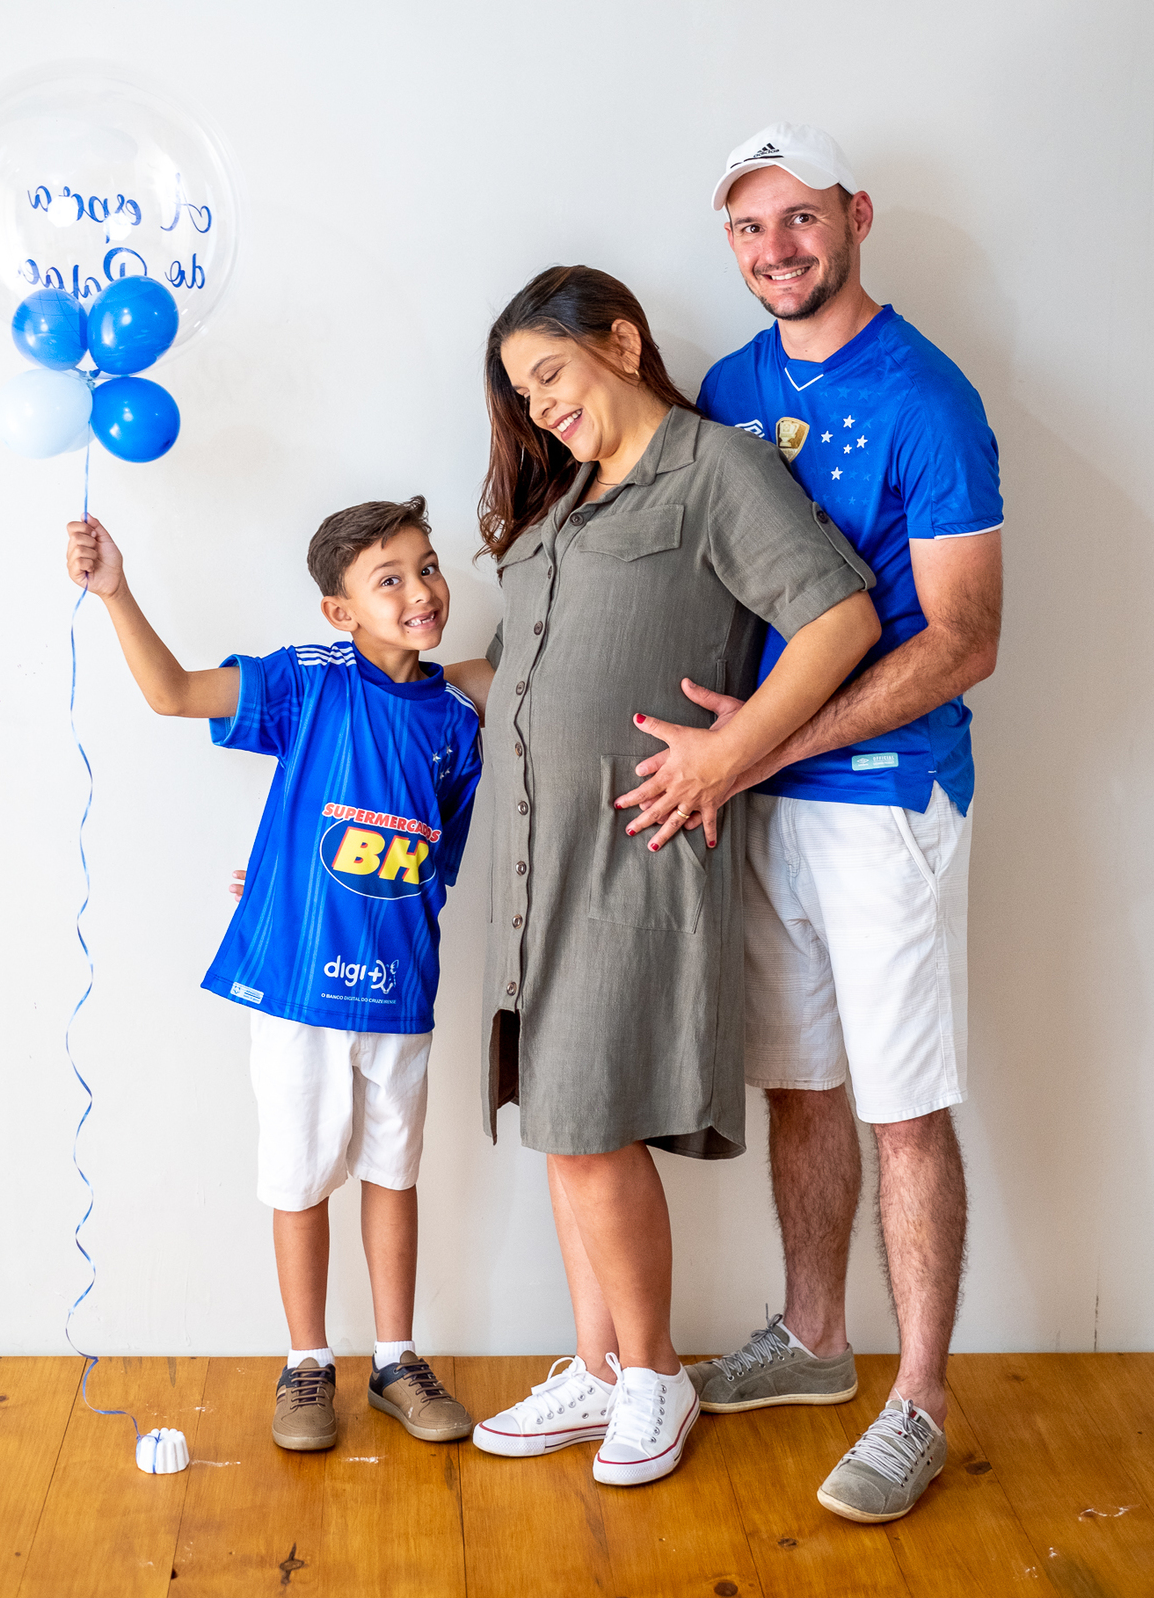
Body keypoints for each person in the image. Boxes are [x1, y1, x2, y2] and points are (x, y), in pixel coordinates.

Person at [619, 122, 1003, 1523]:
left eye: (799, 218)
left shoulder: (928, 398)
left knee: (904, 1109)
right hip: (760, 802)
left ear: (856, 215)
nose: (775, 248)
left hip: (886, 802)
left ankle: (920, 1403)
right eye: (749, 227)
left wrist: (760, 743)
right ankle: (816, 1338)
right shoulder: (730, 386)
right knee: (804, 1085)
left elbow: (964, 639)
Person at [442, 263, 881, 1487]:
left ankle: (653, 1378)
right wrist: (409, 671)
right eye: (522, 394)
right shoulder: (566, 502)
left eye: (550, 374)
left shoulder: (715, 470)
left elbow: (839, 619)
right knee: (560, 1120)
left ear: (622, 343)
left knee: (591, 1123)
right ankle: (598, 1366)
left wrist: (731, 755)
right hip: (536, 858)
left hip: (631, 851)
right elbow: (528, 675)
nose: (540, 407)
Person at [64, 496, 482, 1454]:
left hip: (400, 992)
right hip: (298, 989)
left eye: (427, 567)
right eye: (389, 580)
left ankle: (396, 1361)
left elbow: (430, 854)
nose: (420, 591)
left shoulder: (462, 717)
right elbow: (172, 693)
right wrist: (116, 591)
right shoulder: (309, 681)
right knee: (300, 1180)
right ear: (340, 611)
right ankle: (307, 1364)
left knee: (394, 1174)